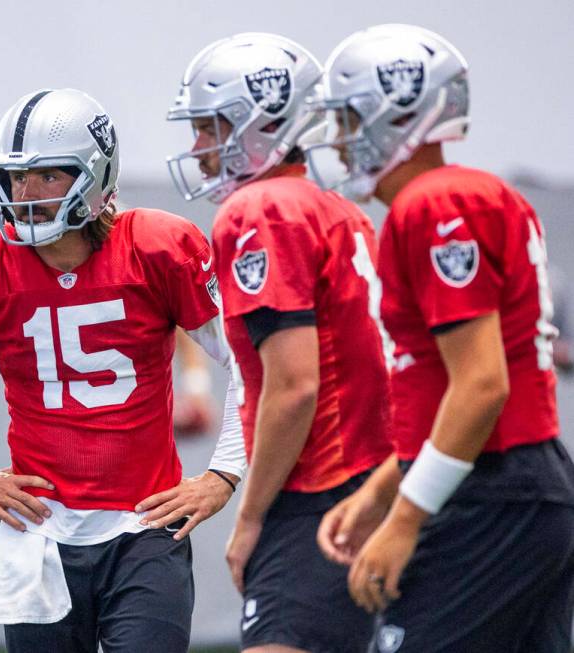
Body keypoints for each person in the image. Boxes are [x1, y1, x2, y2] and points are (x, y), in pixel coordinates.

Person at [0, 88, 246, 653]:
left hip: (143, 528)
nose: (23, 194)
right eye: (14, 177)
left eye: (45, 176)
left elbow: (249, 362)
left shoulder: (157, 246)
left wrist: (222, 475)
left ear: (96, 174)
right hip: (38, 534)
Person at [311, 24, 574, 652]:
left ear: (399, 113)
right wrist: (383, 489)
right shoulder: (466, 194)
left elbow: (482, 386)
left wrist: (405, 518)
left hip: (491, 491)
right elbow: (448, 385)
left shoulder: (436, 204)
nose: (340, 138)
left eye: (350, 116)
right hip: (515, 485)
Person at [167, 33, 393, 652]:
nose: (197, 148)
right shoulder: (339, 209)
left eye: (209, 128)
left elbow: (294, 388)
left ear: (257, 127)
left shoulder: (260, 209)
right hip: (374, 479)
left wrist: (252, 515)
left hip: (318, 489)